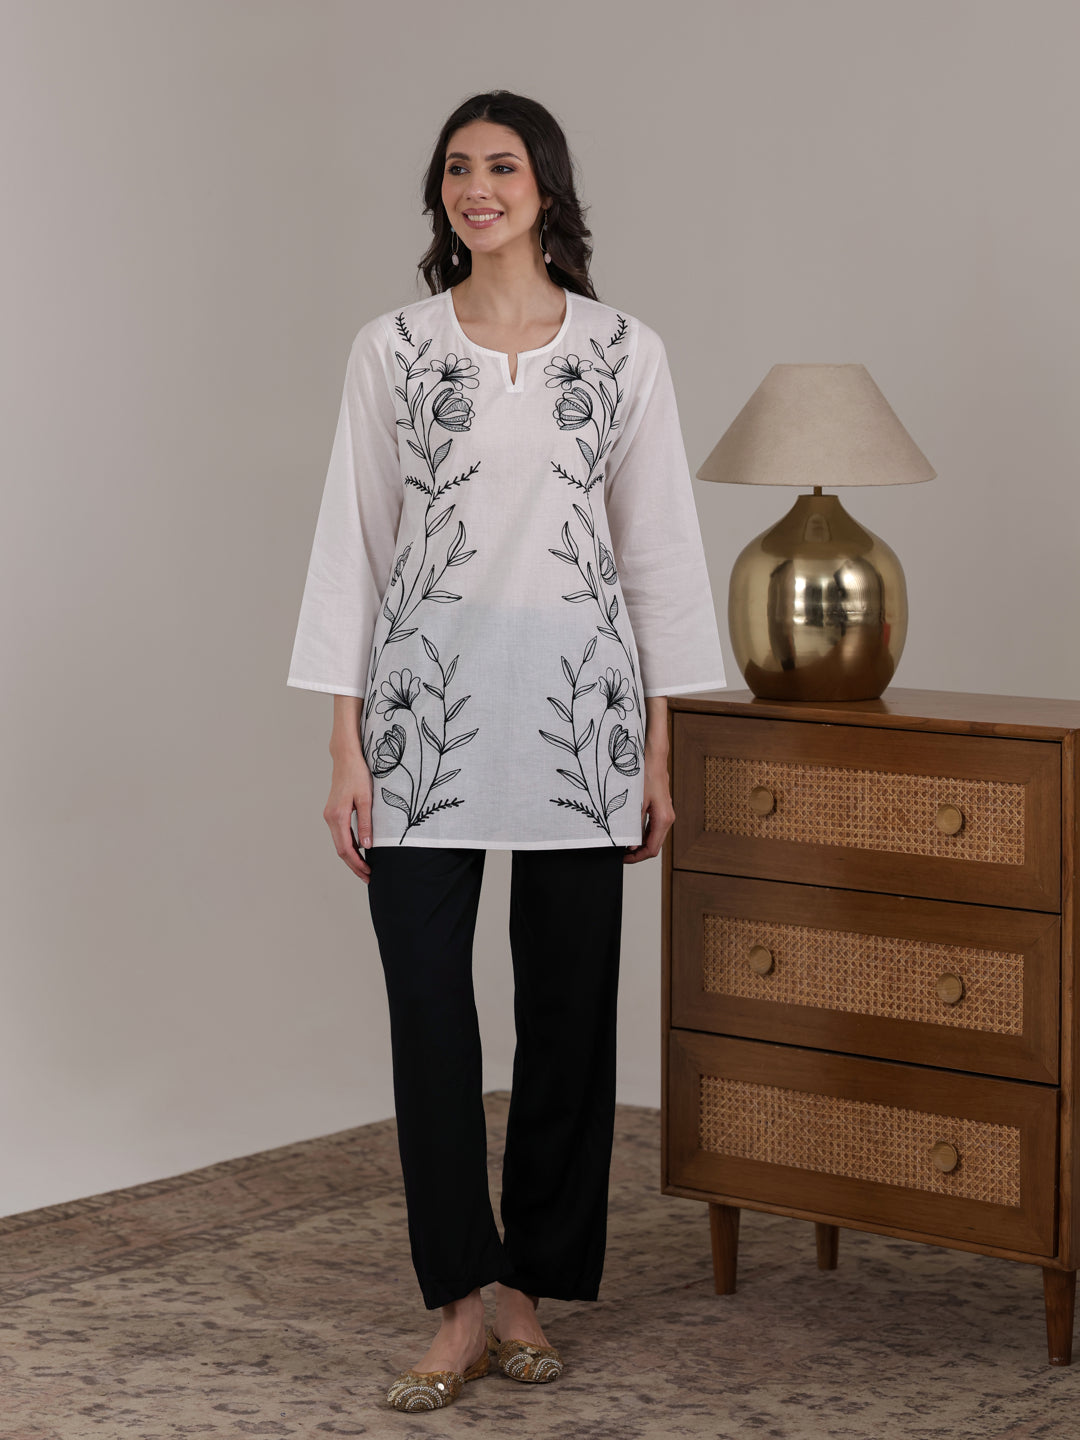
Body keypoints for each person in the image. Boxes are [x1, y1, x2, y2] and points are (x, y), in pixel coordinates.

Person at [286, 89, 727, 1413]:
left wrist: (657, 751)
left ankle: (531, 1283)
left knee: (569, 1017)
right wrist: (344, 747)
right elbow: (353, 544)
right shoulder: (394, 349)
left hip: (581, 726)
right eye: (457, 168)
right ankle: (457, 1302)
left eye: (503, 166)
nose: (477, 187)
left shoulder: (625, 351)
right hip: (422, 722)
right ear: (441, 194)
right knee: (429, 1013)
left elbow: (659, 554)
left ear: (546, 189)